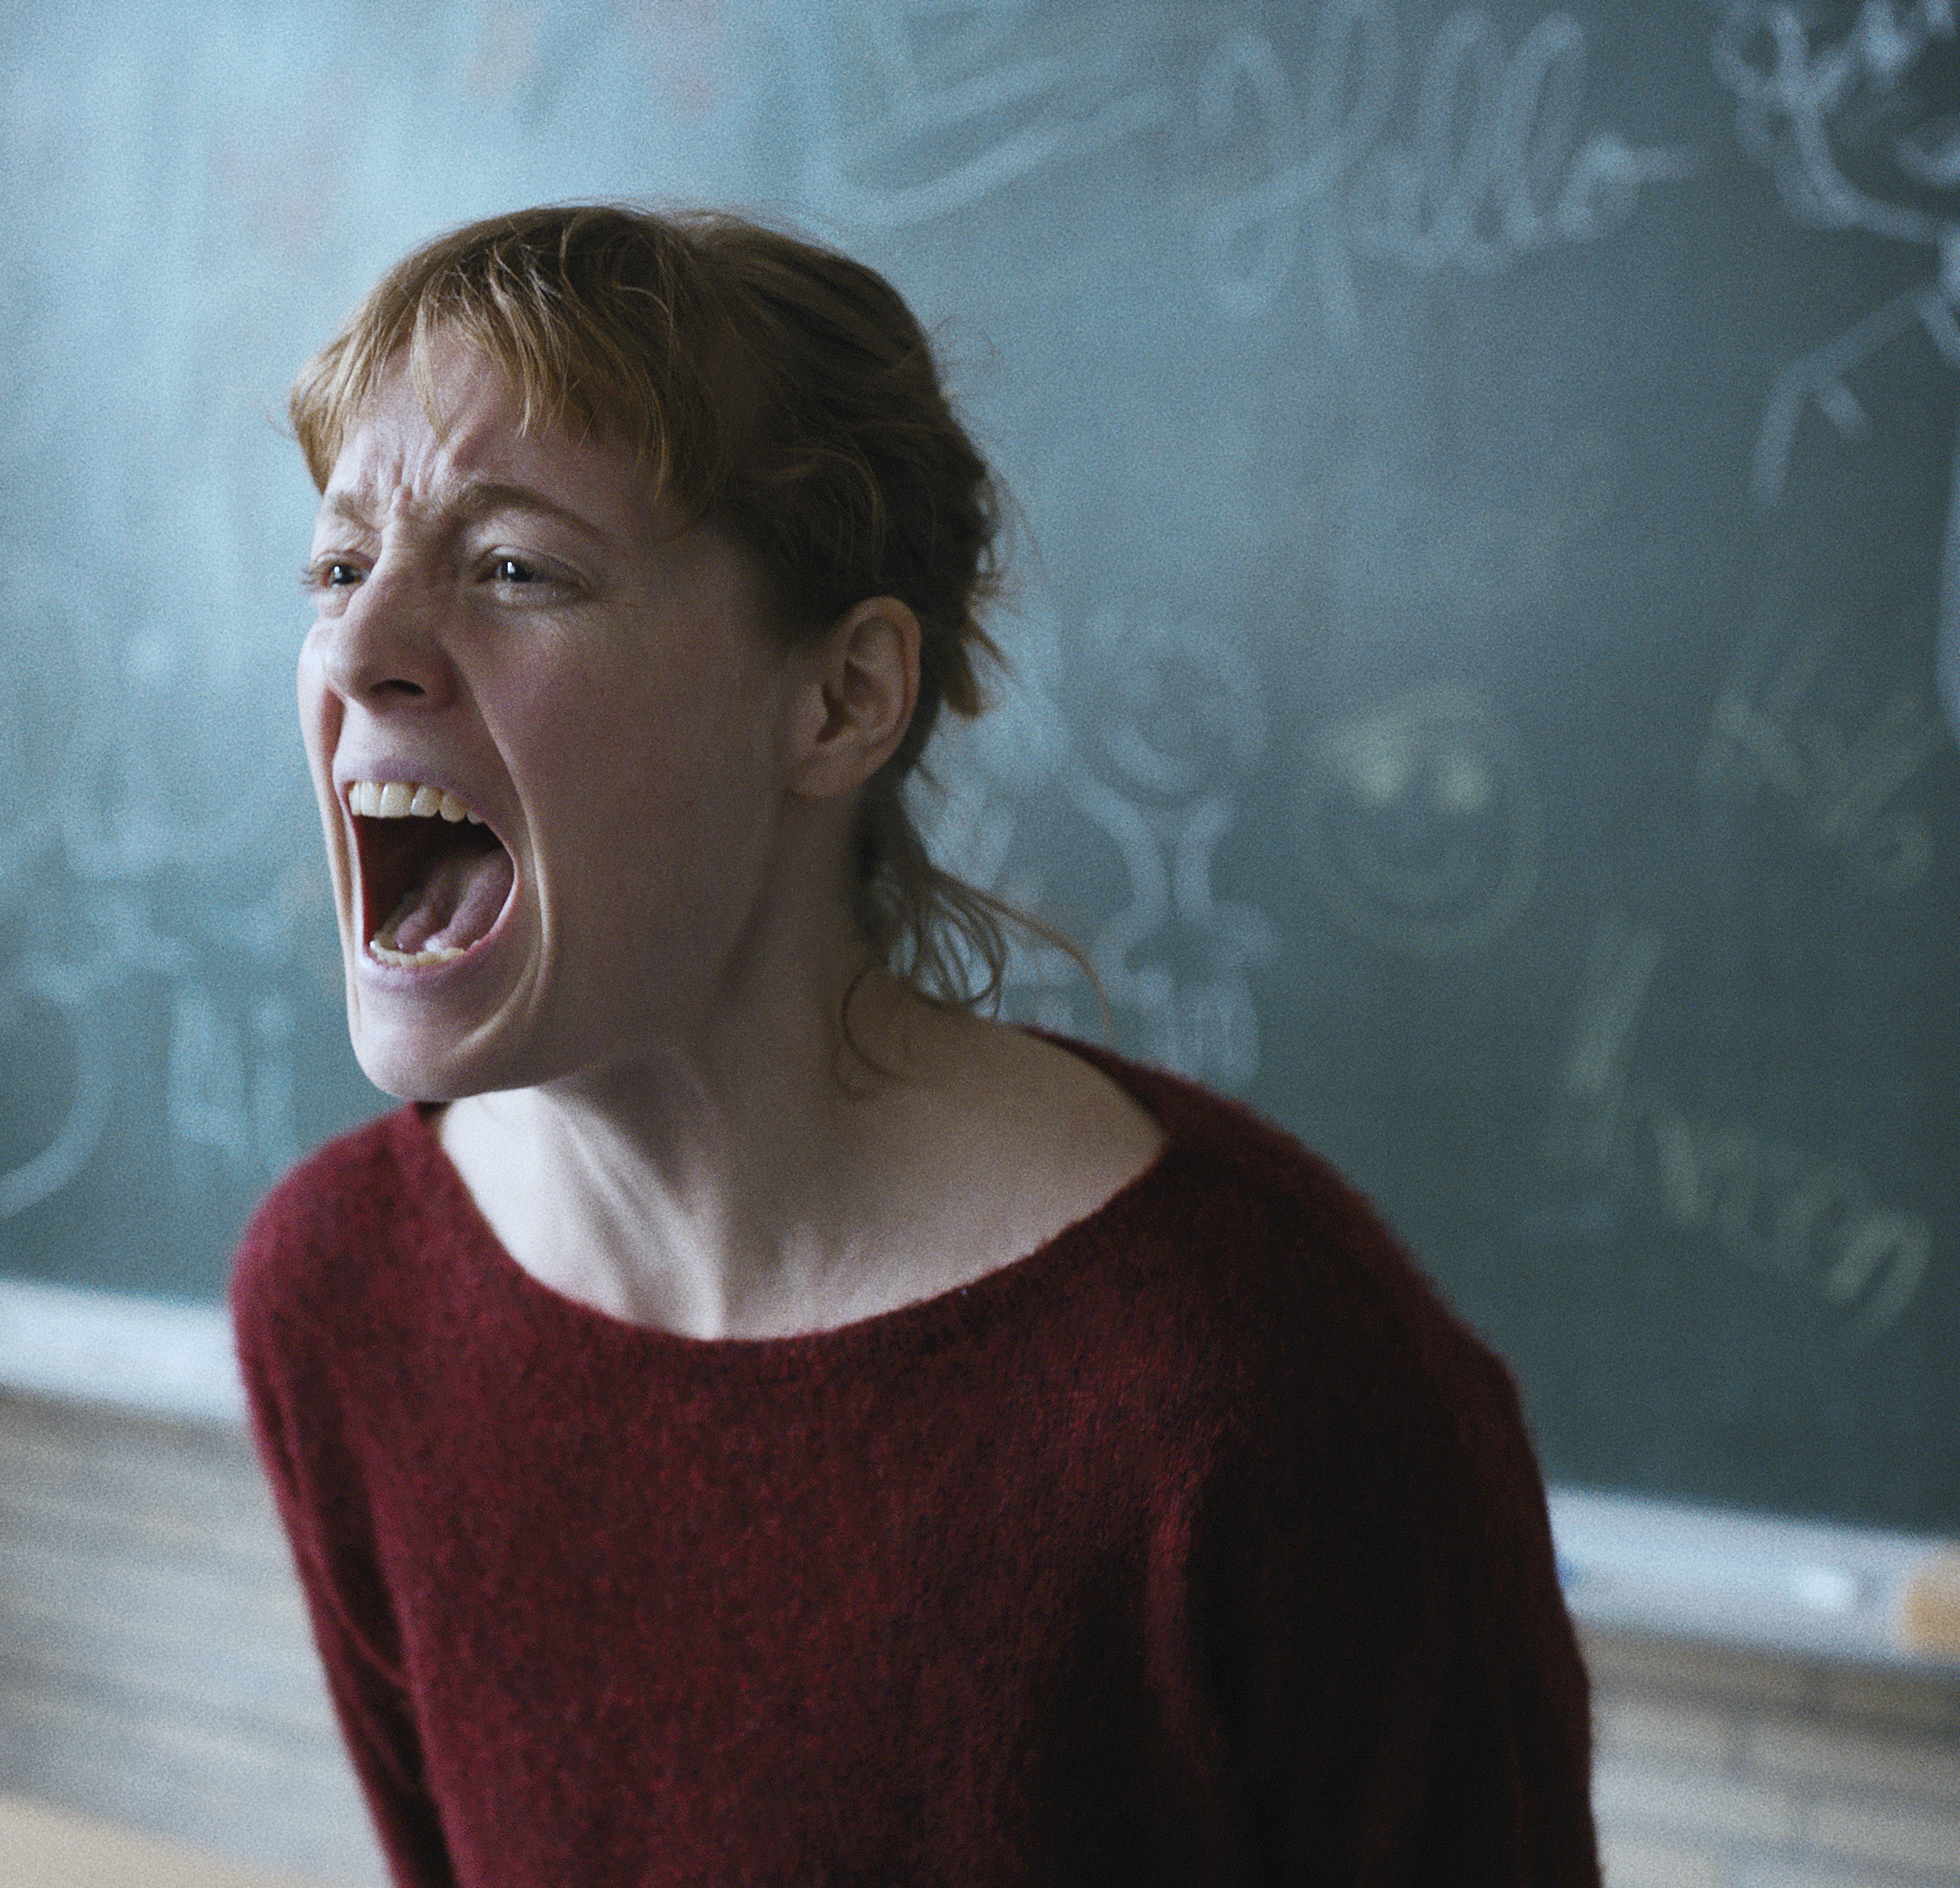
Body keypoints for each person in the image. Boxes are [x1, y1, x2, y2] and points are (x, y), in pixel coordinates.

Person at [231, 203, 1599, 1887]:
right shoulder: (341, 1291)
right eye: (337, 566)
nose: (360, 649)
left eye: (514, 568)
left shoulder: (1271, 1385)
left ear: (840, 700)